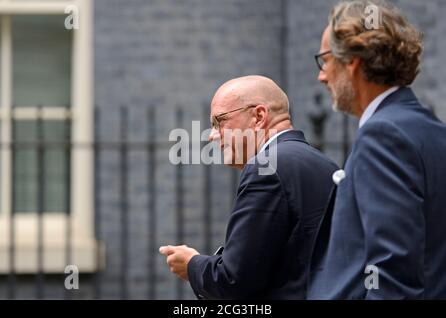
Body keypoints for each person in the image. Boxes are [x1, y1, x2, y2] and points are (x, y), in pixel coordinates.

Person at [308, 0, 446, 299]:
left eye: (325, 60)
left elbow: (392, 274)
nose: (322, 76)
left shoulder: (382, 135)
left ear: (352, 63)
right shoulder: (432, 131)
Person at [160, 75, 338, 299]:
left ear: (259, 116)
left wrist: (192, 265)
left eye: (219, 121)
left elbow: (235, 280)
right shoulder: (325, 165)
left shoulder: (266, 168)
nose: (213, 135)